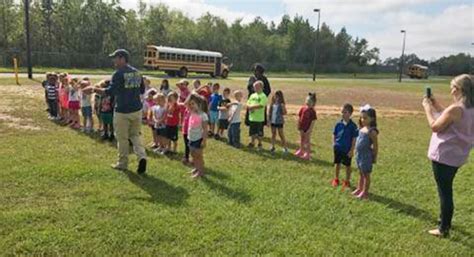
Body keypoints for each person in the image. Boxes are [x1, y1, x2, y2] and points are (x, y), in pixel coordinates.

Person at [422, 74, 474, 237]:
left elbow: (435, 126)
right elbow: (449, 116)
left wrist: (427, 107)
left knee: (445, 192)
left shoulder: (456, 109)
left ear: (459, 90)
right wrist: (436, 103)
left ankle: (443, 228)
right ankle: (445, 224)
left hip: (444, 156)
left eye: (453, 87)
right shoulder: (468, 108)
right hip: (458, 156)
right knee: (446, 189)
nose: (451, 90)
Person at [91, 49, 147, 174]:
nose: (114, 60)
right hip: (137, 110)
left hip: (122, 111)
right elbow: (142, 91)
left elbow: (110, 92)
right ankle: (142, 156)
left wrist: (94, 89)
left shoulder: (118, 74)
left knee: (122, 138)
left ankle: (122, 163)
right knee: (135, 135)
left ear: (122, 58)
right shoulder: (137, 73)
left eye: (115, 58)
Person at [352, 104, 379, 200]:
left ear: (372, 119)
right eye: (361, 118)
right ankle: (359, 188)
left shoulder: (372, 131)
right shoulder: (361, 129)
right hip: (359, 155)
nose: (362, 120)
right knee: (360, 173)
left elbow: (375, 146)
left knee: (366, 174)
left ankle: (365, 192)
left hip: (366, 156)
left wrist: (374, 156)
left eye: (365, 118)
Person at [332, 104, 358, 188]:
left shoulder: (353, 126)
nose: (342, 114)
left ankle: (347, 181)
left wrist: (351, 150)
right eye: (342, 112)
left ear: (350, 114)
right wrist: (334, 143)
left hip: (347, 149)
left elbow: (354, 138)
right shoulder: (338, 124)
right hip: (338, 148)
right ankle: (336, 179)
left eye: (345, 112)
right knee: (337, 163)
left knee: (347, 166)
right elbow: (334, 134)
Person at [185, 93, 209, 178]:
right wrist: (192, 95)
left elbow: (205, 129)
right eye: (190, 104)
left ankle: (201, 172)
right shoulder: (192, 112)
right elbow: (186, 103)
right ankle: (196, 168)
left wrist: (204, 140)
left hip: (198, 139)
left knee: (199, 156)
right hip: (191, 138)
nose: (191, 105)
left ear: (199, 104)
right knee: (193, 154)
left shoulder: (203, 115)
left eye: (193, 104)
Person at [246, 81, 268, 150]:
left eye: (256, 87)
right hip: (252, 117)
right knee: (252, 132)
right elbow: (248, 102)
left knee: (259, 133)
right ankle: (252, 143)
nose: (254, 88)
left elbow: (261, 105)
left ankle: (260, 144)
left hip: (259, 118)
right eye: (254, 87)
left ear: (261, 87)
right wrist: (249, 107)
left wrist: (252, 107)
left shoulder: (263, 96)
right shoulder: (252, 95)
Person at [295, 93, 317, 160]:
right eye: (307, 101)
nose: (308, 102)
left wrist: (310, 129)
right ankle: (301, 150)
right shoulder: (302, 108)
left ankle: (307, 154)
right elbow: (299, 117)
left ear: (313, 103)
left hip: (307, 128)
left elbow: (313, 121)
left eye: (310, 102)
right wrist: (298, 124)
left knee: (307, 141)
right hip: (302, 127)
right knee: (301, 139)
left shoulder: (312, 111)